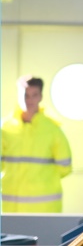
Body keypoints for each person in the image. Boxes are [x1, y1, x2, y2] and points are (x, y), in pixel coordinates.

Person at [1, 75, 73, 212]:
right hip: (12, 209)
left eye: (34, 95)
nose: (29, 100)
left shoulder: (53, 130)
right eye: (25, 95)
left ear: (41, 97)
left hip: (45, 209)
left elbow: (65, 168)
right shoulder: (4, 129)